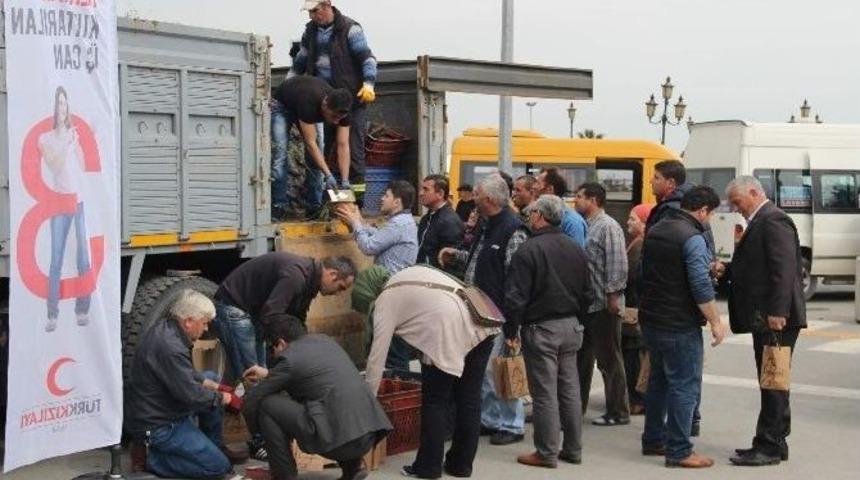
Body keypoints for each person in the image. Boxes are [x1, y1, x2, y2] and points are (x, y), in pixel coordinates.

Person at [352, 265, 498, 478]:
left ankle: (428, 467)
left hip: (446, 331)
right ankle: (461, 465)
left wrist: (368, 402)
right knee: (469, 398)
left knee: (434, 401)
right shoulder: (406, 273)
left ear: (368, 293)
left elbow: (377, 357)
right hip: (481, 324)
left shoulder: (385, 299)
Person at [720, 176, 806, 467]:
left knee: (772, 380)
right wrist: (727, 269)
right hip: (769, 316)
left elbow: (784, 269)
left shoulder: (772, 220)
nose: (735, 208)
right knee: (772, 379)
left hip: (776, 318)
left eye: (737, 201)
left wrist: (779, 311)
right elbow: (757, 264)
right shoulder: (762, 220)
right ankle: (774, 441)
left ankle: (768, 446)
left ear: (754, 192)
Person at [639, 186, 727, 468]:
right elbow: (700, 284)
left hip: (652, 318)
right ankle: (679, 450)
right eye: (710, 214)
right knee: (684, 386)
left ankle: (653, 439)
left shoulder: (657, 229)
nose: (709, 220)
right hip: (679, 323)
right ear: (702, 210)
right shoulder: (693, 237)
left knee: (659, 381)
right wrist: (715, 320)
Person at [438, 174, 529, 446]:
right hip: (478, 307)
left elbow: (516, 277)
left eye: (476, 193)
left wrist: (512, 322)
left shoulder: (513, 229)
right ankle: (490, 419)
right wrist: (457, 255)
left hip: (499, 312)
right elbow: (481, 259)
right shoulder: (487, 225)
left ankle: (512, 425)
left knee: (499, 368)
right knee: (483, 370)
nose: (471, 197)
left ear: (489, 199)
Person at [242, 316, 391, 480]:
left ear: (282, 343)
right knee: (333, 405)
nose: (274, 354)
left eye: (272, 349)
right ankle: (353, 468)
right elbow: (311, 375)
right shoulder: (326, 342)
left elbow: (252, 401)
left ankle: (284, 476)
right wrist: (269, 375)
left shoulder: (289, 359)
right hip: (368, 435)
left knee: (267, 405)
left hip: (338, 444)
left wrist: (259, 435)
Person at [504, 195, 591, 468]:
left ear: (540, 215)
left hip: (542, 327)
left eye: (531, 213)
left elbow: (516, 296)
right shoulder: (575, 248)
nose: (529, 216)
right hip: (571, 325)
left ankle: (546, 452)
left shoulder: (528, 250)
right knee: (569, 389)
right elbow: (588, 291)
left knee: (544, 393)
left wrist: (510, 329)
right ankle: (573, 449)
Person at [125, 289, 247, 479]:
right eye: (204, 323)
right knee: (218, 467)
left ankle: (214, 445)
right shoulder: (170, 347)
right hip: (160, 424)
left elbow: (182, 374)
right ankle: (151, 458)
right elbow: (191, 396)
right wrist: (226, 397)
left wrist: (213, 386)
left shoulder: (169, 329)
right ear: (189, 321)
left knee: (211, 378)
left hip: (163, 407)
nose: (206, 328)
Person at [212, 253, 356, 384]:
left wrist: (301, 346)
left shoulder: (310, 280)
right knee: (252, 374)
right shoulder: (296, 276)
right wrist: (280, 344)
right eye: (341, 287)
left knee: (260, 372)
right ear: (333, 274)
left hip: (252, 312)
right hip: (234, 305)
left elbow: (297, 317)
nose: (338, 293)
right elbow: (271, 313)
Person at [289, 0, 377, 192]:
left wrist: (369, 83)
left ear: (327, 6)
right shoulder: (310, 32)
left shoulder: (350, 29)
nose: (312, 16)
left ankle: (357, 201)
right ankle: (332, 197)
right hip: (326, 103)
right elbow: (300, 62)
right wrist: (289, 83)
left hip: (352, 103)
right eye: (309, 12)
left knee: (353, 151)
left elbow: (367, 58)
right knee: (328, 149)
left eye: (315, 11)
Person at [573, 182, 630, 425]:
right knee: (581, 358)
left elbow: (617, 264)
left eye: (579, 196)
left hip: (604, 305)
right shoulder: (586, 226)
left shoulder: (608, 227)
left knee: (609, 360)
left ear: (593, 200)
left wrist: (613, 298)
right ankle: (577, 407)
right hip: (587, 305)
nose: (575, 201)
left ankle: (618, 411)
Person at [39, 86, 91, 332]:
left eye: (65, 104)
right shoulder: (46, 139)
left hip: (78, 201)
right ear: (53, 107)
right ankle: (52, 314)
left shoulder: (73, 135)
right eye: (59, 103)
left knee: (83, 256)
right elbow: (55, 165)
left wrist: (76, 143)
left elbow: (81, 165)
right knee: (56, 259)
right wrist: (67, 143)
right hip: (59, 201)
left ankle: (83, 309)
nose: (62, 108)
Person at [270, 75, 354, 220]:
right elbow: (310, 144)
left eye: (339, 119)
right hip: (282, 105)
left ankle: (314, 207)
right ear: (325, 105)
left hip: (305, 104)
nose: (336, 122)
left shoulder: (342, 111)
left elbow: (343, 145)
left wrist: (345, 181)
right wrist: (328, 175)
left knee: (316, 159)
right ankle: (279, 206)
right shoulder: (309, 102)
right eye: (333, 117)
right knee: (280, 154)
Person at [335, 179, 418, 274]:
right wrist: (359, 222)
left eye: (386, 196)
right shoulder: (404, 220)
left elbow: (368, 247)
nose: (382, 198)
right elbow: (381, 236)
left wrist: (355, 222)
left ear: (397, 202)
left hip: (391, 281)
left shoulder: (398, 224)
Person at [623, 203, 654, 415]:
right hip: (636, 310)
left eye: (633, 219)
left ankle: (637, 399)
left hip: (634, 312)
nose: (628, 222)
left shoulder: (641, 245)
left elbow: (632, 276)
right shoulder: (638, 242)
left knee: (633, 356)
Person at [416, 174, 464, 268]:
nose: (420, 193)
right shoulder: (426, 218)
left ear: (440, 194)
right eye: (421, 189)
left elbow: (450, 261)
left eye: (426, 189)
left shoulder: (450, 222)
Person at [533, 168, 587, 247]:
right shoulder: (538, 214)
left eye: (538, 183)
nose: (534, 187)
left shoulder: (572, 222)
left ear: (549, 189)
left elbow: (576, 255)